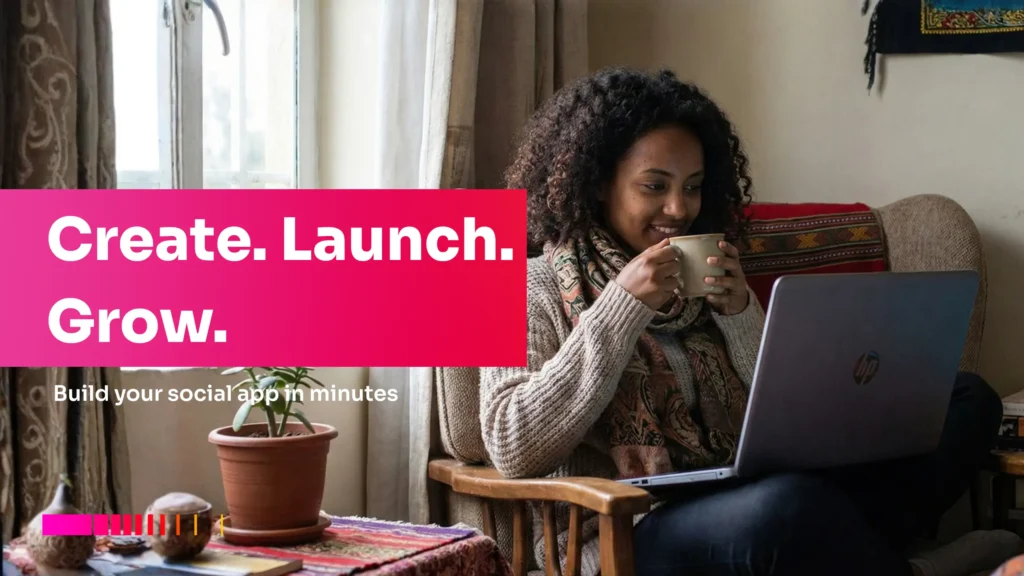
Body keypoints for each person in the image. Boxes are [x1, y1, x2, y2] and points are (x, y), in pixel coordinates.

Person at [479, 67, 1021, 576]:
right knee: (786, 509)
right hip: (626, 526)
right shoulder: (522, 282)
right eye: (655, 186)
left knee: (966, 399)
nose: (679, 209)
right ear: (599, 182)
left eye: (693, 186)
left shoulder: (707, 276)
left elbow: (781, 423)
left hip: (743, 489)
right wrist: (621, 307)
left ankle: (856, 552)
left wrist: (741, 315)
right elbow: (510, 442)